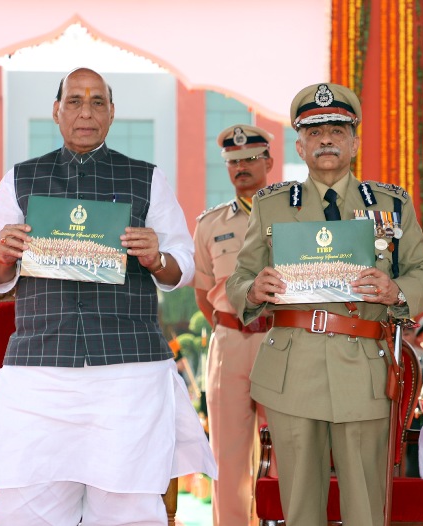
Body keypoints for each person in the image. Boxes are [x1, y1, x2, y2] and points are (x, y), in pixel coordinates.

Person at [0, 68, 216, 526]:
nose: (85, 111)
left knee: (129, 510)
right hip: (40, 371)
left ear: (112, 113)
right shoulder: (21, 179)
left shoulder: (146, 179)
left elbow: (184, 265)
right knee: (28, 510)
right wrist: (2, 254)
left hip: (127, 372)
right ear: (56, 111)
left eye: (98, 102)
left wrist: (158, 259)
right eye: (74, 101)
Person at [226, 82, 423, 526]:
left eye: (338, 130)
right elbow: (239, 277)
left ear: (354, 142)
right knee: (301, 506)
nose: (327, 139)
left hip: (363, 368)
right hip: (293, 368)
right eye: (316, 131)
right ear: (301, 146)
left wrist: (395, 290)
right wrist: (253, 290)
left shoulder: (391, 204)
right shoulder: (271, 206)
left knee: (365, 507)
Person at [193, 124, 274, 526]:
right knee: (227, 454)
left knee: (290, 449)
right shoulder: (209, 224)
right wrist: (233, 326)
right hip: (230, 342)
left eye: (250, 160)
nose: (241, 168)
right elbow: (203, 291)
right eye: (233, 162)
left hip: (281, 342)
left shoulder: (293, 216)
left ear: (269, 163)